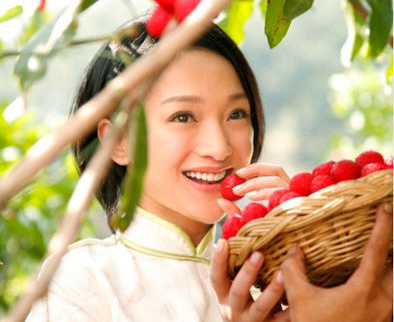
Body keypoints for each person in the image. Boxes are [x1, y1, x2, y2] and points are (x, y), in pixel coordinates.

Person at [26, 19, 392, 322]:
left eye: (236, 114)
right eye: (183, 116)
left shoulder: (273, 282)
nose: (219, 148)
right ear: (117, 142)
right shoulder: (82, 278)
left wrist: (305, 246)